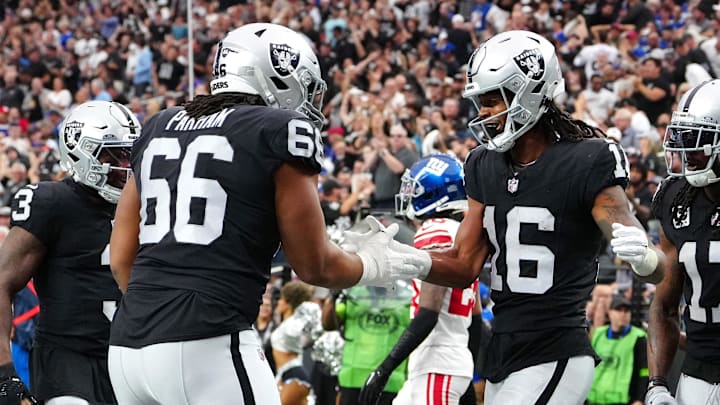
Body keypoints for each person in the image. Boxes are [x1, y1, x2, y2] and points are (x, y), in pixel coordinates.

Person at [107, 23, 429, 405]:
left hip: (127, 349)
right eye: (304, 87)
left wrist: (158, 312)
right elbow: (314, 266)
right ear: (272, 75)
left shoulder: (157, 125)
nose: (308, 103)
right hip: (206, 340)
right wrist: (371, 265)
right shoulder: (278, 128)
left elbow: (120, 257)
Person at [359, 30, 668, 404]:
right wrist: (401, 261)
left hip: (555, 346)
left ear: (531, 92)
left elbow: (651, 263)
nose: (484, 114)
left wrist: (645, 256)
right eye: (480, 102)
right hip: (503, 347)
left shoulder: (587, 158)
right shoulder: (482, 163)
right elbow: (463, 265)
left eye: (493, 101)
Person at [0, 100, 140, 404]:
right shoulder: (52, 202)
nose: (126, 168)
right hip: (69, 361)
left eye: (131, 156)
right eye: (114, 156)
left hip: (133, 359)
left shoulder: (146, 203)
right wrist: (4, 372)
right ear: (80, 151)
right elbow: (2, 282)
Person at [359, 154, 478, 405]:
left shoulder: (434, 230)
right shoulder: (460, 232)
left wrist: (384, 368)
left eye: (415, 189)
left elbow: (429, 312)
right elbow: (476, 320)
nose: (409, 195)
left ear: (434, 193)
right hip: (447, 362)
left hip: (438, 363)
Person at [646, 78, 720, 405]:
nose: (686, 152)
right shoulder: (677, 198)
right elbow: (664, 305)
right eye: (682, 138)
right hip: (698, 373)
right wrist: (657, 384)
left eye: (696, 141)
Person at [587, 295, 648, 405]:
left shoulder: (639, 337)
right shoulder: (598, 334)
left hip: (622, 400)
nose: (623, 314)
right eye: (618, 310)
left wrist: (639, 399)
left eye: (626, 311)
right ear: (609, 312)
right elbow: (589, 366)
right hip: (594, 398)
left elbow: (644, 371)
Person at [271, 281, 322, 405]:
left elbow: (304, 330)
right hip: (284, 374)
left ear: (288, 302)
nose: (278, 302)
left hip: (294, 375)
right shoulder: (288, 323)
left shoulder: (293, 325)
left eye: (281, 299)